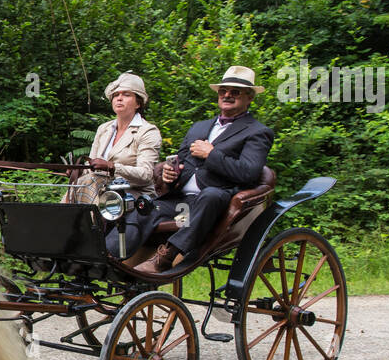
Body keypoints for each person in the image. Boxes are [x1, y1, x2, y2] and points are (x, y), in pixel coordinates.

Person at [109, 66, 274, 277]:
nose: (227, 95)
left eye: (235, 92)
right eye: (223, 90)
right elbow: (182, 162)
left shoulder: (258, 132)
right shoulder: (199, 127)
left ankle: (165, 257)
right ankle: (108, 257)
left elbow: (249, 173)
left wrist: (212, 154)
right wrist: (170, 175)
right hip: (183, 207)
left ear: (249, 97)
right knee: (143, 207)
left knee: (211, 195)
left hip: (218, 209)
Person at [66, 72, 162, 206]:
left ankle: (88, 225)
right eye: (116, 95)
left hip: (133, 194)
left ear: (138, 103)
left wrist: (112, 167)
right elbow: (91, 168)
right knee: (79, 184)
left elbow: (146, 175)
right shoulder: (103, 129)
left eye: (126, 94)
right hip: (97, 188)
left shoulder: (148, 131)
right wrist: (79, 170)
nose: (119, 98)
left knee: (88, 184)